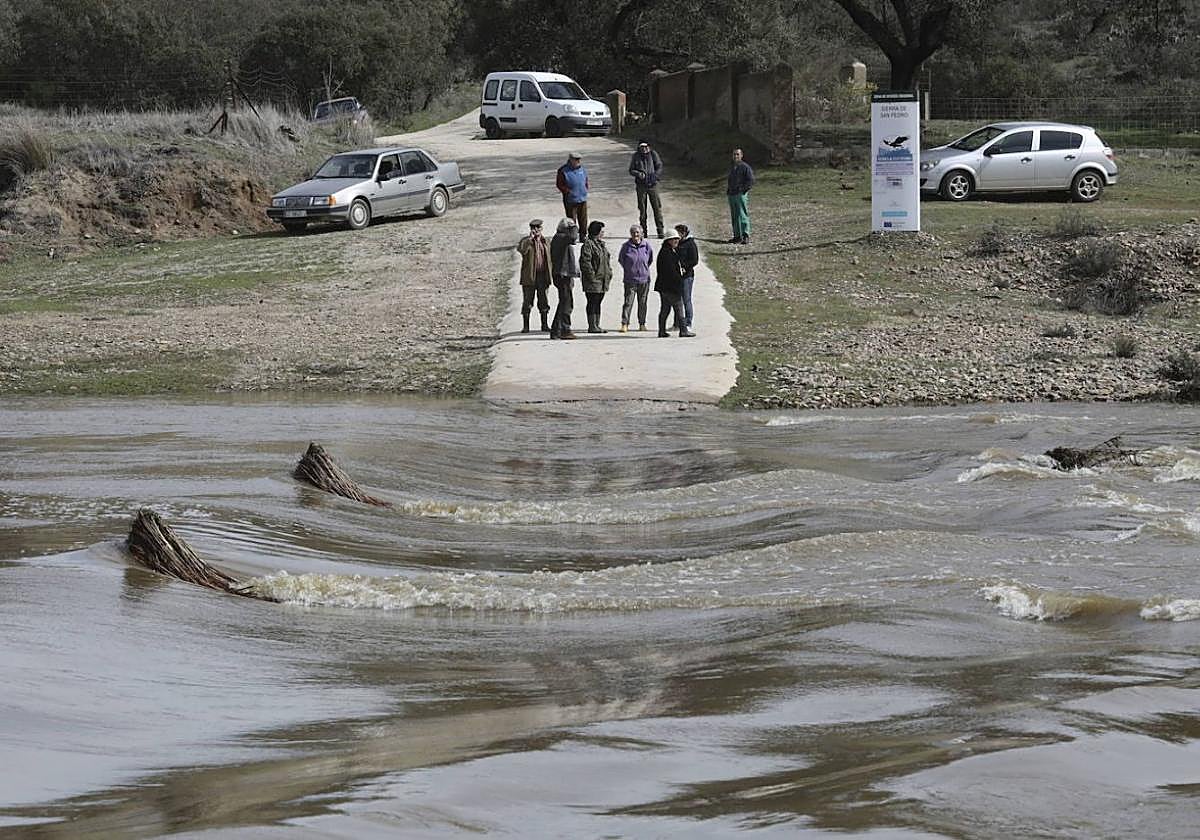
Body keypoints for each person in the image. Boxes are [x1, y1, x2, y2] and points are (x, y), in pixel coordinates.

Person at [654, 231, 694, 338]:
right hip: (670, 287)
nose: (677, 241)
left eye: (677, 239)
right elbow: (671, 272)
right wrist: (679, 280)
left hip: (664, 287)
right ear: (668, 241)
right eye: (674, 239)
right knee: (679, 309)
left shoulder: (669, 251)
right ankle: (683, 330)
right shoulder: (667, 253)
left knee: (665, 309)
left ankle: (661, 331)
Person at [516, 218, 551, 333]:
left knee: (543, 301)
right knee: (527, 301)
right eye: (533, 228)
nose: (536, 230)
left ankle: (544, 324)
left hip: (542, 275)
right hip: (529, 276)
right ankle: (526, 326)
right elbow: (521, 250)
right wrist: (530, 239)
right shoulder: (526, 241)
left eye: (538, 228)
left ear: (542, 229)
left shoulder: (546, 241)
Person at [548, 217, 580, 340]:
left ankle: (559, 330)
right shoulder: (560, 238)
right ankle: (562, 329)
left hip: (564, 274)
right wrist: (575, 226)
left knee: (566, 302)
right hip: (562, 274)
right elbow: (572, 238)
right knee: (565, 303)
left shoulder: (560, 238)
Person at [617, 225, 653, 333]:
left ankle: (642, 324)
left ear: (641, 234)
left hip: (644, 279)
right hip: (630, 279)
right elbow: (621, 259)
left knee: (643, 303)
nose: (635, 235)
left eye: (637, 232)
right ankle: (624, 323)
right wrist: (629, 269)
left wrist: (643, 269)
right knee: (628, 302)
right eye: (633, 233)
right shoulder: (626, 246)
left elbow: (650, 259)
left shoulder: (646, 246)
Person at [579, 220, 612, 334]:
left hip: (602, 280)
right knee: (592, 302)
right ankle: (592, 325)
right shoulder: (588, 245)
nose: (603, 233)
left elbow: (606, 261)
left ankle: (597, 325)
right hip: (593, 280)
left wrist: (609, 273)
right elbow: (585, 262)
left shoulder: (601, 244)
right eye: (602, 231)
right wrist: (592, 276)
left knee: (598, 302)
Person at [628, 140, 664, 238]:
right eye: (642, 147)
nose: (644, 149)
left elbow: (659, 166)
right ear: (639, 147)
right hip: (641, 186)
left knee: (657, 209)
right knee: (642, 210)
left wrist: (655, 176)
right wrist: (638, 174)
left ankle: (660, 231)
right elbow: (631, 170)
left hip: (653, 185)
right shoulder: (636, 156)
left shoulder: (653, 154)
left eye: (646, 146)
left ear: (649, 146)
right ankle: (643, 231)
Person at [555, 152, 589, 238]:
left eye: (579, 159)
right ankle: (572, 236)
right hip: (570, 200)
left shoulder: (582, 169)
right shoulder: (563, 170)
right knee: (571, 220)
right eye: (576, 159)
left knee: (583, 219)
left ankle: (583, 236)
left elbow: (585, 180)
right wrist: (568, 192)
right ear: (570, 160)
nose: (578, 161)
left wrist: (585, 189)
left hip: (582, 198)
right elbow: (560, 184)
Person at [726, 147, 754, 245]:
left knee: (742, 214)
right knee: (734, 215)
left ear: (741, 156)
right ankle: (737, 236)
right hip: (731, 194)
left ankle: (745, 235)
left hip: (740, 194)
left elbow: (750, 180)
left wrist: (743, 190)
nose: (736, 156)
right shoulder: (732, 167)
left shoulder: (745, 167)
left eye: (738, 154)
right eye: (734, 154)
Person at [674, 222, 698, 330]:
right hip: (676, 276)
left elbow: (694, 260)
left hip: (687, 276)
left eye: (678, 233)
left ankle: (688, 323)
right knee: (676, 300)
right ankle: (677, 323)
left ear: (683, 233)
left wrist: (684, 267)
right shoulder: (676, 243)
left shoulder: (690, 243)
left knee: (686, 299)